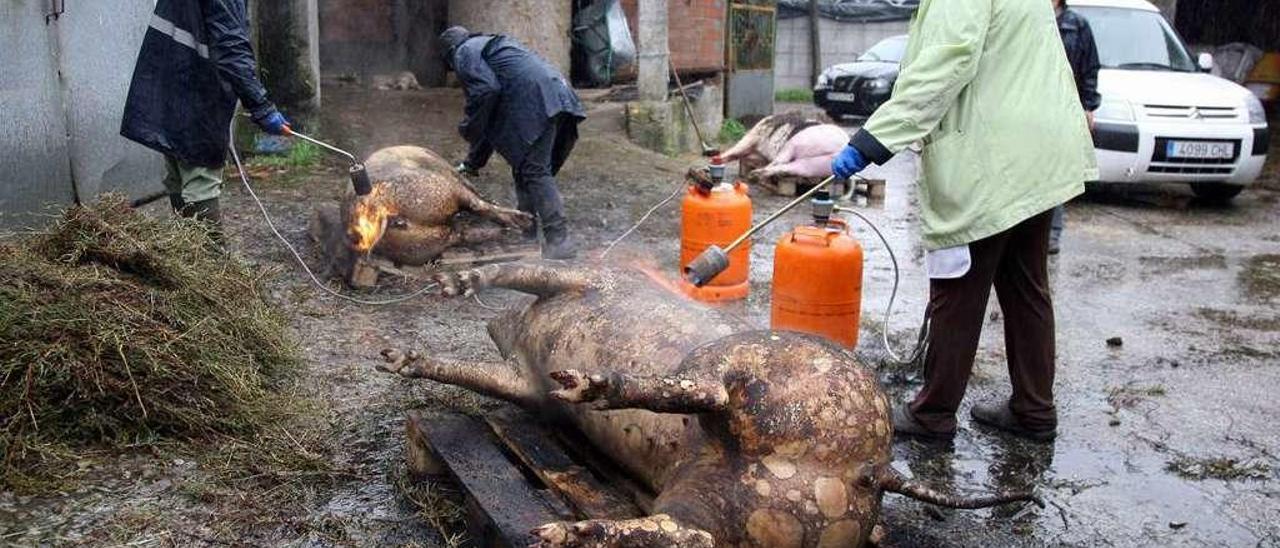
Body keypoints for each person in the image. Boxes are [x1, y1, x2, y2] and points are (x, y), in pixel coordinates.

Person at [831, 0, 1098, 441]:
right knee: (1025, 284)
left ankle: (932, 413)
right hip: (1040, 150)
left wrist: (873, 140)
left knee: (959, 288)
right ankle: (1034, 410)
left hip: (993, 155)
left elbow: (944, 64)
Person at [121, 0, 290, 243]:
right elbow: (231, 47)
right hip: (195, 87)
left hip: (168, 78)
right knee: (201, 176)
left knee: (178, 170)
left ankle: (187, 255)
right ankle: (213, 265)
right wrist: (262, 107)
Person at [441, 26, 586, 260]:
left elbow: (485, 93)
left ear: (449, 52)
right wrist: (472, 163)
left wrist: (468, 126)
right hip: (560, 94)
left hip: (538, 99)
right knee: (525, 168)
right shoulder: (491, 47)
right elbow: (489, 115)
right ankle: (525, 233)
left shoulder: (464, 52)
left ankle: (559, 241)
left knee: (534, 171)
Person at [1050, 0, 1102, 254]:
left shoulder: (1077, 25)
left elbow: (1090, 68)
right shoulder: (1029, 19)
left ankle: (1052, 235)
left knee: (1056, 172)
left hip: (1064, 107)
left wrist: (1088, 106)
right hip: (1033, 106)